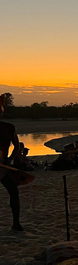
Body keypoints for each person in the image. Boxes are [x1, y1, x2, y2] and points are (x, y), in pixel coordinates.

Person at [0, 93, 23, 231]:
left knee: (14, 192)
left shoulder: (9, 127)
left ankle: (16, 223)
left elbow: (17, 145)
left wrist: (9, 159)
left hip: (4, 166)